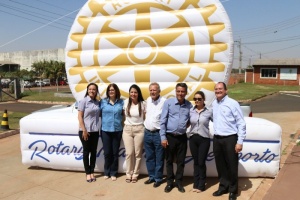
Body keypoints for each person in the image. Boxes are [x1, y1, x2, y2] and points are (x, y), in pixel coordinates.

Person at [212, 82, 246, 200]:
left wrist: (240, 141)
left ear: (226, 90)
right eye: (216, 89)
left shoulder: (232, 103)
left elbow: (241, 123)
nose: (218, 91)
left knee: (232, 165)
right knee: (220, 165)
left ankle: (233, 190)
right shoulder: (214, 103)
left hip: (230, 138)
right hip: (217, 138)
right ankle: (223, 186)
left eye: (220, 89)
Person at [160, 82, 192, 193]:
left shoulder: (189, 105)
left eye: (183, 91)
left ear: (186, 92)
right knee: (168, 161)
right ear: (175, 91)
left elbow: (189, 121)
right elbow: (163, 121)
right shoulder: (168, 103)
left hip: (182, 137)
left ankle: (178, 182)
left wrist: (182, 127)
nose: (180, 93)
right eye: (178, 91)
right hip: (169, 137)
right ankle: (169, 183)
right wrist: (163, 137)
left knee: (181, 161)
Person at [188, 91, 212, 193]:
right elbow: (186, 123)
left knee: (201, 162)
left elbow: (218, 121)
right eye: (195, 99)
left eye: (199, 99)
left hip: (204, 139)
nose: (197, 101)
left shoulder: (209, 111)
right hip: (193, 138)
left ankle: (201, 185)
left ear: (203, 100)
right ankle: (195, 183)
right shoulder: (191, 111)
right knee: (196, 162)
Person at [143, 82, 166, 188]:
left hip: (158, 134)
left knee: (159, 158)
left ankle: (158, 178)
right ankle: (151, 177)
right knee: (149, 157)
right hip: (147, 132)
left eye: (154, 90)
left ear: (159, 91)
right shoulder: (147, 100)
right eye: (151, 90)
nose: (152, 92)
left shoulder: (164, 102)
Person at [100, 83, 124, 181]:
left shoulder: (121, 102)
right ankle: (107, 171)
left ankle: (113, 172)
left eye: (113, 90)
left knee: (115, 153)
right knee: (107, 153)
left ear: (116, 91)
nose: (111, 91)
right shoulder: (102, 102)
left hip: (117, 130)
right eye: (109, 90)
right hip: (105, 130)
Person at [77, 83, 101, 183]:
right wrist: (84, 130)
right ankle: (87, 173)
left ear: (96, 91)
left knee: (94, 152)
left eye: (94, 89)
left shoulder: (97, 102)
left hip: (95, 131)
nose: (92, 91)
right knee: (86, 152)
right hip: (85, 131)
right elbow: (79, 116)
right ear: (87, 90)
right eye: (90, 89)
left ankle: (92, 172)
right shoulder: (83, 101)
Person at [123, 84, 146, 183]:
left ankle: (135, 174)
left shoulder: (143, 103)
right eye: (131, 92)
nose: (133, 94)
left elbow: (145, 117)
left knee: (138, 154)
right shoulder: (125, 102)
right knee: (129, 153)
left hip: (139, 129)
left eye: (135, 92)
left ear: (138, 93)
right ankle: (128, 173)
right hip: (127, 130)